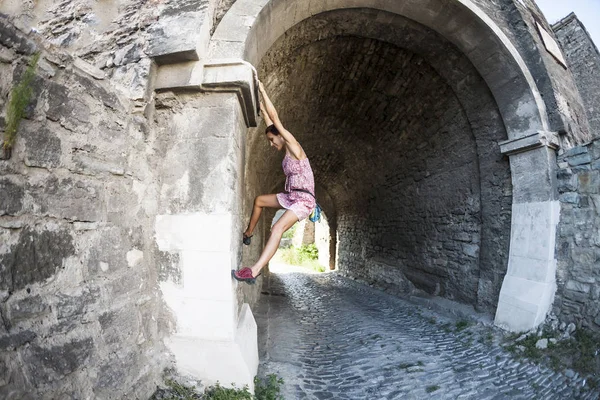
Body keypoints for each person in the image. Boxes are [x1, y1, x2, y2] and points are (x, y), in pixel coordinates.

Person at [232, 81, 316, 284]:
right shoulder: (285, 149)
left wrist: (263, 89)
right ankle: (249, 233)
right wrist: (259, 104)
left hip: (303, 200)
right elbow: (270, 120)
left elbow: (275, 119)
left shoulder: (294, 146)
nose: (271, 144)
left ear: (280, 136)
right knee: (259, 200)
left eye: (272, 139)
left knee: (277, 228)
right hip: (290, 195)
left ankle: (254, 271)